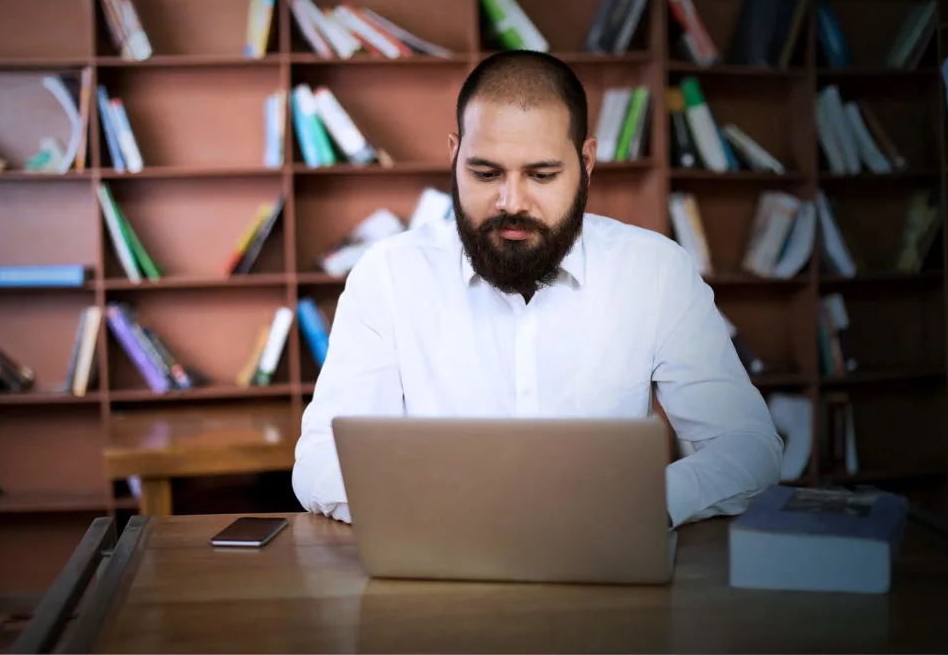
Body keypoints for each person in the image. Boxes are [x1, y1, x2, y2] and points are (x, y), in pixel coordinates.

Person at [292, 50, 783, 528]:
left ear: (586, 162)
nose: (512, 202)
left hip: (606, 561)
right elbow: (319, 462)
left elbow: (749, 448)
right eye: (485, 173)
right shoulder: (388, 275)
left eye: (542, 174)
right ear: (454, 156)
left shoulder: (655, 272)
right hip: (439, 572)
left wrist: (642, 506)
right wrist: (445, 511)